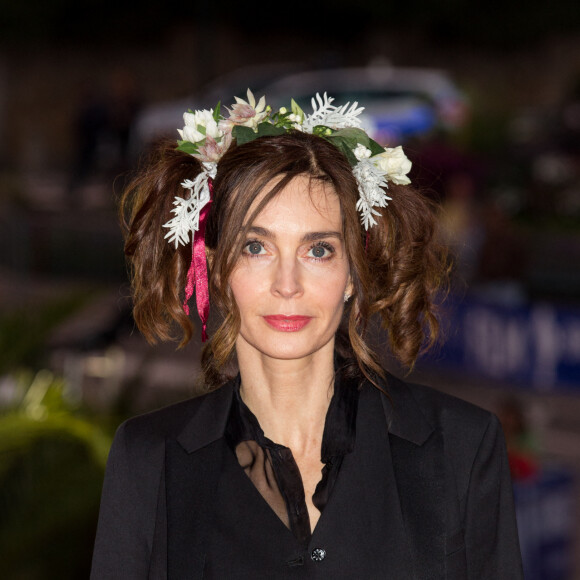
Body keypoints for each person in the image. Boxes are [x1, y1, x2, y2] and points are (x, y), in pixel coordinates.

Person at [91, 91, 523, 579]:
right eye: (256, 247)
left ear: (353, 274)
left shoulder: (461, 444)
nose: (287, 285)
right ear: (212, 269)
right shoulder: (150, 459)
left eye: (318, 250)